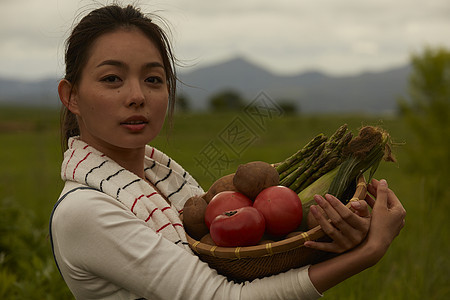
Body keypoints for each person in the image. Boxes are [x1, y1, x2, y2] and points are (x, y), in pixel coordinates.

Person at [49, 4, 406, 300]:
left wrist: (331, 243)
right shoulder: (85, 211)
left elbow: (247, 278)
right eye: (112, 78)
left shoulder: (166, 182)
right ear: (72, 96)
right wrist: (366, 253)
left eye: (153, 79)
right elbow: (222, 297)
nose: (137, 95)